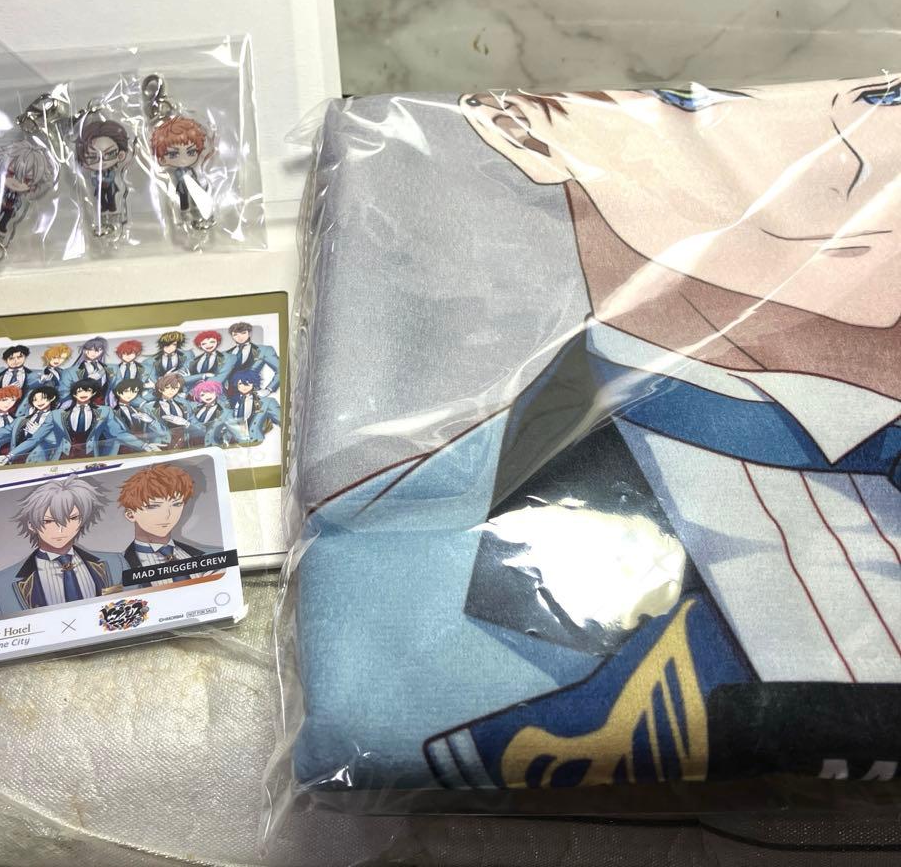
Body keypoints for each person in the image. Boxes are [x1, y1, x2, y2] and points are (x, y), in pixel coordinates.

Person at [298, 77, 901, 791]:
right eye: (694, 109)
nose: (851, 159)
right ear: (522, 129)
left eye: (883, 101)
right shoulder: (410, 556)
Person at [0, 477, 124, 614]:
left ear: (82, 520)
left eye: (72, 518)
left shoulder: (116, 563)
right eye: (48, 521)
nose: (61, 529)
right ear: (31, 524)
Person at [117, 463, 219, 585]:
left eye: (176, 504)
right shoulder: (115, 568)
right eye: (154, 506)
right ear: (130, 514)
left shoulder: (209, 555)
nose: (167, 515)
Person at [75, 116, 131, 232]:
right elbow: (94, 180)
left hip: (110, 187)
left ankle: (112, 209)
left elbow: (111, 177)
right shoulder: (93, 173)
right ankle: (104, 211)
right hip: (99, 188)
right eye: (92, 157)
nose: (102, 161)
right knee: (101, 200)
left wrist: (105, 180)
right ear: (85, 163)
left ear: (121, 155)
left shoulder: (111, 171)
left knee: (111, 198)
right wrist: (97, 181)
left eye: (110, 154)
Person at [0, 384, 69, 466]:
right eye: (35, 400)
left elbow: (59, 439)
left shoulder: (57, 416)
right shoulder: (21, 420)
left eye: (42, 398)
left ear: (52, 398)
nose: (39, 402)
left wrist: (38, 432)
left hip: (44, 460)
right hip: (19, 461)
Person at [224, 370, 280, 446]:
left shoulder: (267, 402)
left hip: (258, 443)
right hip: (236, 446)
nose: (244, 386)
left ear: (253, 383)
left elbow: (282, 420)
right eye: (240, 383)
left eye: (247, 383)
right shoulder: (231, 403)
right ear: (236, 384)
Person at [225, 322, 279, 394]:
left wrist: (269, 389)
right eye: (235, 334)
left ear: (249, 333)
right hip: (230, 395)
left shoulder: (264, 350)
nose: (240, 337)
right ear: (232, 336)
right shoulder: (226, 354)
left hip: (253, 394)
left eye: (243, 333)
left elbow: (281, 369)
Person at [152, 372, 192, 449]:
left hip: (183, 442)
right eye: (168, 387)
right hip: (162, 444)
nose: (172, 391)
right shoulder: (150, 407)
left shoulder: (184, 404)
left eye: (176, 388)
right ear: (160, 389)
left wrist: (186, 423)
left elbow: (194, 422)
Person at [186, 380, 229, 448]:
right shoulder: (196, 407)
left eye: (210, 392)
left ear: (216, 392)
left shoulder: (223, 411)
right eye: (202, 395)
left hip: (213, 445)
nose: (207, 396)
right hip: (194, 444)